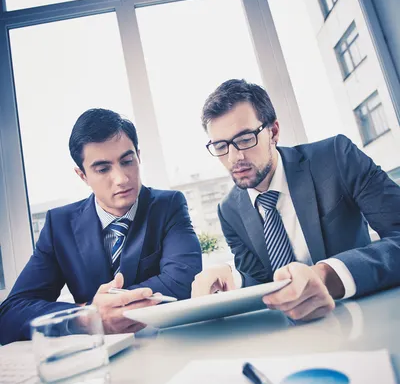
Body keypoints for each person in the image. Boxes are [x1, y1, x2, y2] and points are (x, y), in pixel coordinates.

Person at [192, 79, 400, 321]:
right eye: (220, 146)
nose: (234, 157)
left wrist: (327, 275)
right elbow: (262, 280)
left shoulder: (336, 156)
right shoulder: (228, 210)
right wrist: (231, 277)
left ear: (274, 132)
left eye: (246, 139)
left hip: (367, 317)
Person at [0, 109, 202, 344]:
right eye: (103, 169)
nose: (121, 178)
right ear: (83, 175)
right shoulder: (59, 225)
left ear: (138, 156)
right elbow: (10, 314)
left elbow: (183, 281)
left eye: (127, 162)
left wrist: (107, 307)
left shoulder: (169, 205)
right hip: (98, 358)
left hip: (169, 344)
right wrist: (86, 316)